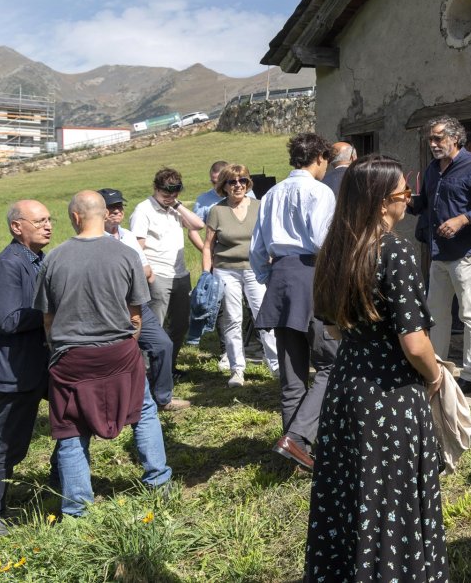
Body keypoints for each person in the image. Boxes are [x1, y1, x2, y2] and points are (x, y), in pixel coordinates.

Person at [305, 155, 448, 581]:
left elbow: (333, 328)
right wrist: (436, 375)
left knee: (351, 495)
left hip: (346, 388)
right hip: (390, 393)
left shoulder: (336, 248)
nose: (410, 199)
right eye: (405, 192)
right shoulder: (395, 251)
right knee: (391, 499)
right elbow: (414, 342)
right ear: (384, 201)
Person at [36, 191, 171, 518]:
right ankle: (158, 481)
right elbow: (136, 315)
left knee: (71, 429)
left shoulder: (53, 259)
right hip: (120, 352)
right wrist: (127, 345)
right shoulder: (127, 254)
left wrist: (59, 350)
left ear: (75, 217)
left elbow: (48, 319)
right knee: (144, 410)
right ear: (103, 214)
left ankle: (77, 509)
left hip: (72, 358)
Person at [250, 133, 338, 471]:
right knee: (332, 364)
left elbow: (257, 249)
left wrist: (269, 278)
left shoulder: (271, 194)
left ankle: (295, 454)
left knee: (292, 374)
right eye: (326, 161)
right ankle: (299, 438)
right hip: (311, 276)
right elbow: (321, 239)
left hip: (280, 279)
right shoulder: (320, 191)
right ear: (319, 158)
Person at [408, 115, 471, 394]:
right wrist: (403, 198)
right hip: (439, 253)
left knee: (469, 314)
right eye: (431, 139)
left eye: (438, 138)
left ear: (455, 138)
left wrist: (462, 219)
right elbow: (423, 204)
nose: (433, 144)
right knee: (436, 314)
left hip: (467, 253)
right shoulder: (433, 169)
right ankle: (436, 371)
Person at [0, 200, 53, 535]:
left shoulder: (37, 259)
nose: (47, 226)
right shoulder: (6, 265)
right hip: (14, 371)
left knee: (74, 419)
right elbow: (9, 319)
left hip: (39, 364)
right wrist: (54, 311)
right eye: (39, 221)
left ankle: (61, 482)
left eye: (49, 219)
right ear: (16, 226)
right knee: (10, 445)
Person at [99, 188, 189, 411]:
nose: (117, 211)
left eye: (119, 206)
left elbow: (147, 271)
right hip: (109, 308)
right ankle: (116, 405)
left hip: (136, 304)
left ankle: (162, 398)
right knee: (116, 355)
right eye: (111, 207)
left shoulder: (128, 236)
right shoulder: (96, 240)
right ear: (99, 211)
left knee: (163, 345)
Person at [203, 164, 275, 386]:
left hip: (255, 269)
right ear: (224, 186)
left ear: (248, 183)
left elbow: (269, 236)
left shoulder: (259, 206)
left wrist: (271, 260)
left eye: (242, 180)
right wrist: (206, 275)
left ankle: (276, 365)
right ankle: (237, 369)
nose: (238, 185)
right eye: (232, 182)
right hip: (226, 270)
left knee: (264, 316)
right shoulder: (217, 211)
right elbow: (208, 245)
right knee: (233, 319)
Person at [129, 168, 206, 374]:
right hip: (157, 276)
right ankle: (148, 373)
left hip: (180, 275)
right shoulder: (143, 210)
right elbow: (137, 247)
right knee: (155, 327)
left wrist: (177, 205)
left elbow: (198, 225)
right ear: (156, 188)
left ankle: (168, 368)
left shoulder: (174, 208)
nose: (169, 197)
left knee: (180, 325)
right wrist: (148, 273)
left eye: (174, 193)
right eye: (165, 193)